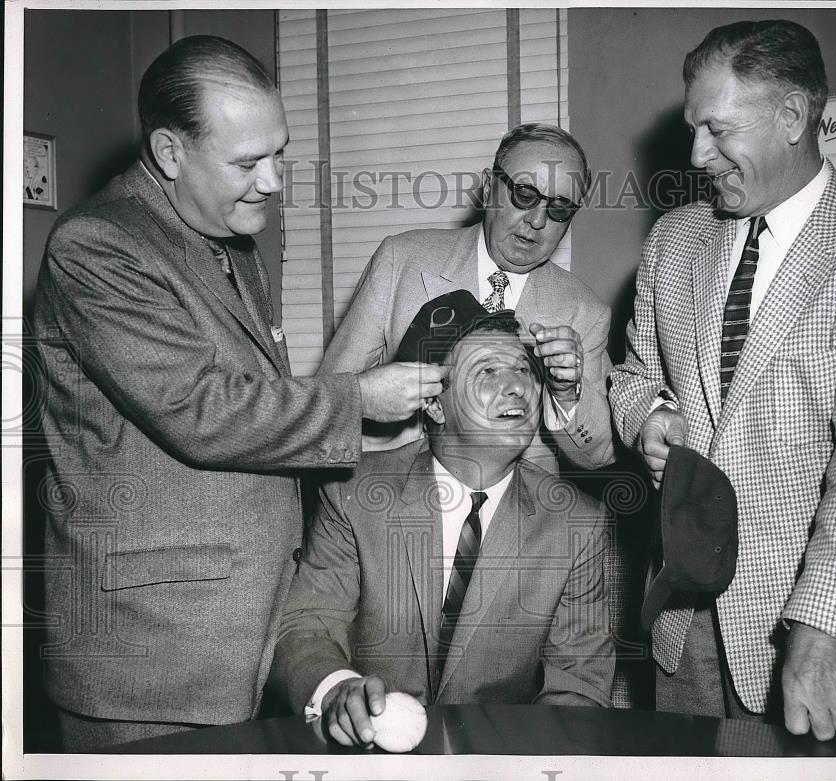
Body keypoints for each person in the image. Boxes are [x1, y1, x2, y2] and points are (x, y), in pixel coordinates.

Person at [31, 35, 446, 751]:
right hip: (154, 658)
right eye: (248, 162)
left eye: (278, 153)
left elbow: (260, 404)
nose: (275, 182)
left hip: (245, 634)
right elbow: (201, 409)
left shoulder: (230, 242)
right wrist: (356, 400)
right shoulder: (96, 245)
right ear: (168, 153)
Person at [608, 20, 836, 748]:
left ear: (793, 116)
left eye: (717, 128)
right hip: (682, 627)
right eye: (694, 128)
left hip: (812, 635)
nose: (698, 154)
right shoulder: (674, 241)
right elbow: (636, 374)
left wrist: (825, 626)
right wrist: (652, 417)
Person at [272, 291, 614, 746]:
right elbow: (308, 624)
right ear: (434, 404)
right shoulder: (352, 495)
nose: (518, 387)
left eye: (523, 370)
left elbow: (578, 688)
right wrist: (336, 690)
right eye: (488, 371)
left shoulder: (577, 523)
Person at [318, 123, 615, 473]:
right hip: (393, 503)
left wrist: (566, 395)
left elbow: (598, 456)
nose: (537, 220)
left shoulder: (585, 312)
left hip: (513, 519)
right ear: (490, 188)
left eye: (560, 208)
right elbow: (327, 403)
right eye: (524, 194)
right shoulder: (402, 260)